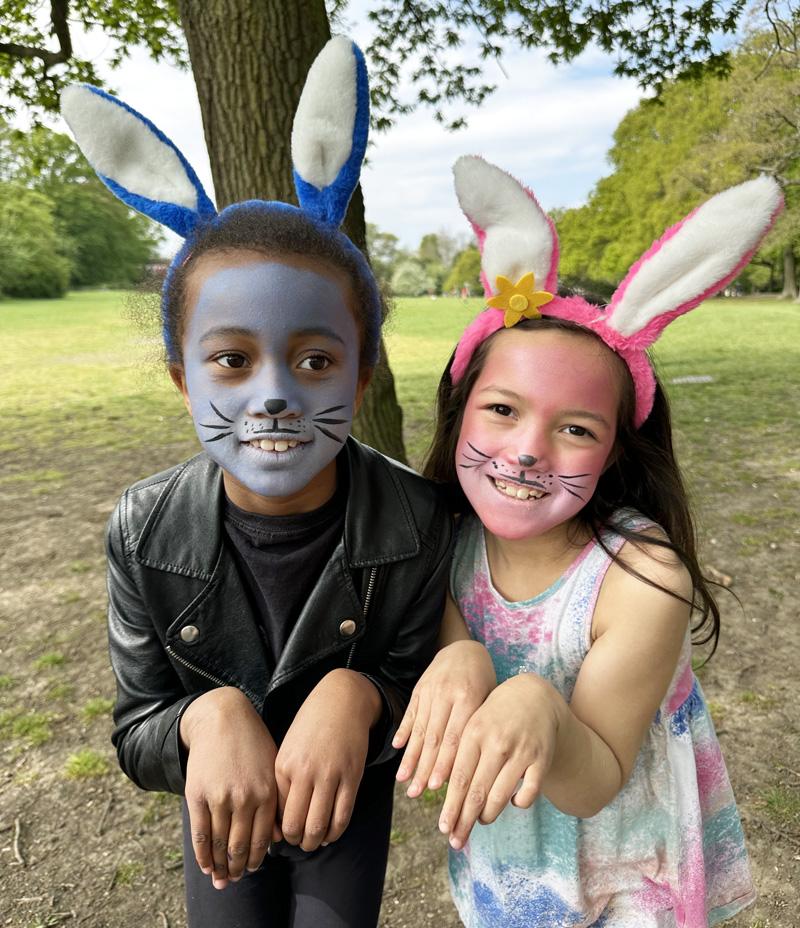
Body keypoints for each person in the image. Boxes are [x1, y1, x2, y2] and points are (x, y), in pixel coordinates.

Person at [60, 39, 451, 928]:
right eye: (231, 360)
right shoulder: (142, 530)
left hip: (341, 814)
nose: (273, 393)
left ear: (360, 376)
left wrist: (360, 698)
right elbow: (138, 727)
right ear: (181, 378)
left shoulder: (419, 522)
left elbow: (419, 678)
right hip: (222, 816)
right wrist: (207, 719)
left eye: (315, 359)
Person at [393, 155, 783, 927]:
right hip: (509, 867)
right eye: (503, 410)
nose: (529, 450)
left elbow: (595, 774)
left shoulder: (642, 578)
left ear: (613, 453)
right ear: (459, 410)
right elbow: (444, 646)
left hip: (629, 877)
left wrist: (536, 700)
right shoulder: (440, 536)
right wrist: (458, 655)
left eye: (575, 428)